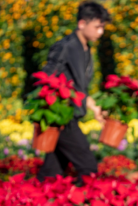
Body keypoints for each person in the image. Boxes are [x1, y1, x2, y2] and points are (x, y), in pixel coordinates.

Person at [36, 1, 111, 186]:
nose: (101, 32)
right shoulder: (66, 46)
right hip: (62, 117)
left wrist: (93, 106)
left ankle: (31, 205)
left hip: (70, 115)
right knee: (88, 168)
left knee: (51, 173)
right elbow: (47, 77)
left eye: (102, 27)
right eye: (97, 27)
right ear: (82, 24)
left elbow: (78, 87)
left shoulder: (85, 48)